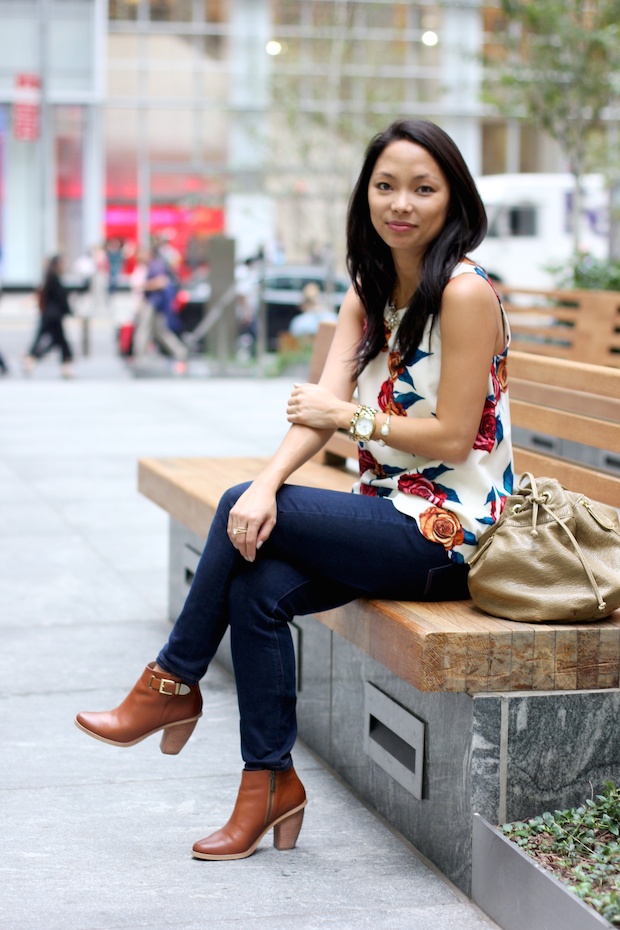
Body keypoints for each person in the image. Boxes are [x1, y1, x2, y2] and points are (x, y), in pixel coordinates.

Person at [75, 119, 514, 861]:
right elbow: (319, 413)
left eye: (422, 188)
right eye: (385, 186)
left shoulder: (466, 295)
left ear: (453, 200)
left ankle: (174, 680)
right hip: (385, 516)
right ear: (365, 195)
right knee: (255, 585)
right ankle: (269, 782)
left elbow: (449, 435)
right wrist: (268, 486)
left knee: (239, 515)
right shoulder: (370, 289)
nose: (400, 203)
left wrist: (344, 418)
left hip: (453, 530)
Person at [132, 243, 189, 374]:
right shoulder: (152, 265)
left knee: (144, 329)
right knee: (160, 331)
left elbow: (161, 282)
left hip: (154, 302)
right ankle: (180, 352)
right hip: (155, 303)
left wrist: (143, 286)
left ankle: (140, 355)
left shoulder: (156, 265)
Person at [24, 255, 74, 378]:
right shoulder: (53, 277)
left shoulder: (50, 276)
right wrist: (69, 310)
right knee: (60, 342)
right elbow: (59, 297)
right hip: (53, 316)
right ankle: (32, 359)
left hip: (49, 315)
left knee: (59, 342)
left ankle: (32, 359)